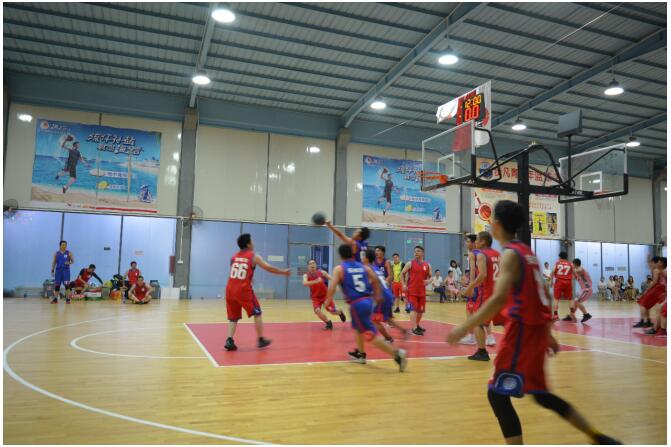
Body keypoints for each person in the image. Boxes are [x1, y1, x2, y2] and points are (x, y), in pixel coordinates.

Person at [446, 200, 621, 445]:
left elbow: (499, 298)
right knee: (540, 395)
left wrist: (465, 326)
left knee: (497, 394)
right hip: (536, 331)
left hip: (521, 333)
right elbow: (543, 296)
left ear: (497, 225)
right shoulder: (528, 253)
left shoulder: (511, 255)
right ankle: (597, 436)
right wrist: (547, 333)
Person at [324, 244, 407, 371]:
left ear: (340, 256)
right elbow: (376, 280)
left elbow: (332, 287)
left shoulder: (340, 269)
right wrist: (378, 295)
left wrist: (328, 301)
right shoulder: (363, 267)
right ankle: (361, 355)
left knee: (370, 335)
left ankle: (397, 355)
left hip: (357, 304)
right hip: (367, 301)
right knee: (358, 328)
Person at [224, 233, 291, 351]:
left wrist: (249, 278)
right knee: (257, 313)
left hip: (229, 290)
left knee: (233, 318)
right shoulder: (254, 256)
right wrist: (283, 272)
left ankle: (229, 340)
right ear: (248, 244)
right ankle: (260, 339)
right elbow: (268, 268)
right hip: (243, 291)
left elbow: (237, 272)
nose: (253, 243)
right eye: (252, 241)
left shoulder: (233, 257)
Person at [461, 231, 500, 361]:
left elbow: (482, 275)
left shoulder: (481, 255)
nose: (475, 242)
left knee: (477, 321)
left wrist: (470, 287)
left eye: (477, 240)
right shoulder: (498, 254)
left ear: (483, 242)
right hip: (498, 292)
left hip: (486, 293)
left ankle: (482, 351)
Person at [362, 249, 409, 343]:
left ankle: (388, 338)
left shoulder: (367, 269)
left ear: (366, 258)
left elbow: (374, 282)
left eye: (363, 256)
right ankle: (403, 330)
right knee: (386, 318)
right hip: (388, 295)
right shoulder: (375, 267)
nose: (362, 258)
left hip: (382, 296)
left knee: (374, 320)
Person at [302, 259, 346, 330]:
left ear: (316, 265)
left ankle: (340, 312)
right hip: (316, 298)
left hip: (325, 296)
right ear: (308, 266)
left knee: (332, 312)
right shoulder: (306, 275)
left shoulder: (322, 272)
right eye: (310, 263)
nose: (312, 265)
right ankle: (328, 323)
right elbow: (305, 283)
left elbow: (332, 278)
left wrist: (336, 285)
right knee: (317, 311)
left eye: (313, 263)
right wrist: (316, 281)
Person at [400, 246, 432, 335]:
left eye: (418, 251)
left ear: (423, 253)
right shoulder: (410, 263)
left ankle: (417, 325)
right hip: (412, 291)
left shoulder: (427, 265)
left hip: (422, 292)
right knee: (413, 309)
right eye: (415, 251)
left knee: (420, 311)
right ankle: (414, 328)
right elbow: (402, 274)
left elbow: (431, 277)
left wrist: (429, 281)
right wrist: (403, 284)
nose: (416, 253)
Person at [634, 257, 667, 329]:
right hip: (661, 289)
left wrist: (647, 289)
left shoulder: (656, 270)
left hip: (658, 289)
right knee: (646, 305)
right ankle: (647, 321)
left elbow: (654, 281)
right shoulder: (662, 271)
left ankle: (644, 321)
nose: (650, 264)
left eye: (651, 263)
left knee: (642, 303)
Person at [460, 234, 479, 344]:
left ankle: (472, 336)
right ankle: (489, 336)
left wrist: (470, 286)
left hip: (475, 286)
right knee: (478, 310)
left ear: (473, 243)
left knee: (470, 310)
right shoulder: (481, 253)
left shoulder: (473, 254)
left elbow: (473, 271)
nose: (466, 244)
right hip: (480, 285)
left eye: (467, 242)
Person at [566, 259, 593, 323]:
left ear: (575, 264)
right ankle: (571, 315)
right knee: (575, 301)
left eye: (573, 264)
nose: (572, 265)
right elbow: (572, 277)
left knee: (577, 301)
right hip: (583, 290)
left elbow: (579, 270)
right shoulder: (576, 272)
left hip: (587, 289)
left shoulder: (580, 269)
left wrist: (570, 267)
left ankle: (586, 314)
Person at [552, 252, 574, 321]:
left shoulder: (558, 263)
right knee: (570, 299)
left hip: (559, 281)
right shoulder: (570, 264)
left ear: (560, 257)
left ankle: (556, 315)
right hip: (568, 282)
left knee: (556, 299)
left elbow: (552, 271)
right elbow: (574, 273)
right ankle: (572, 314)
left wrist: (551, 281)